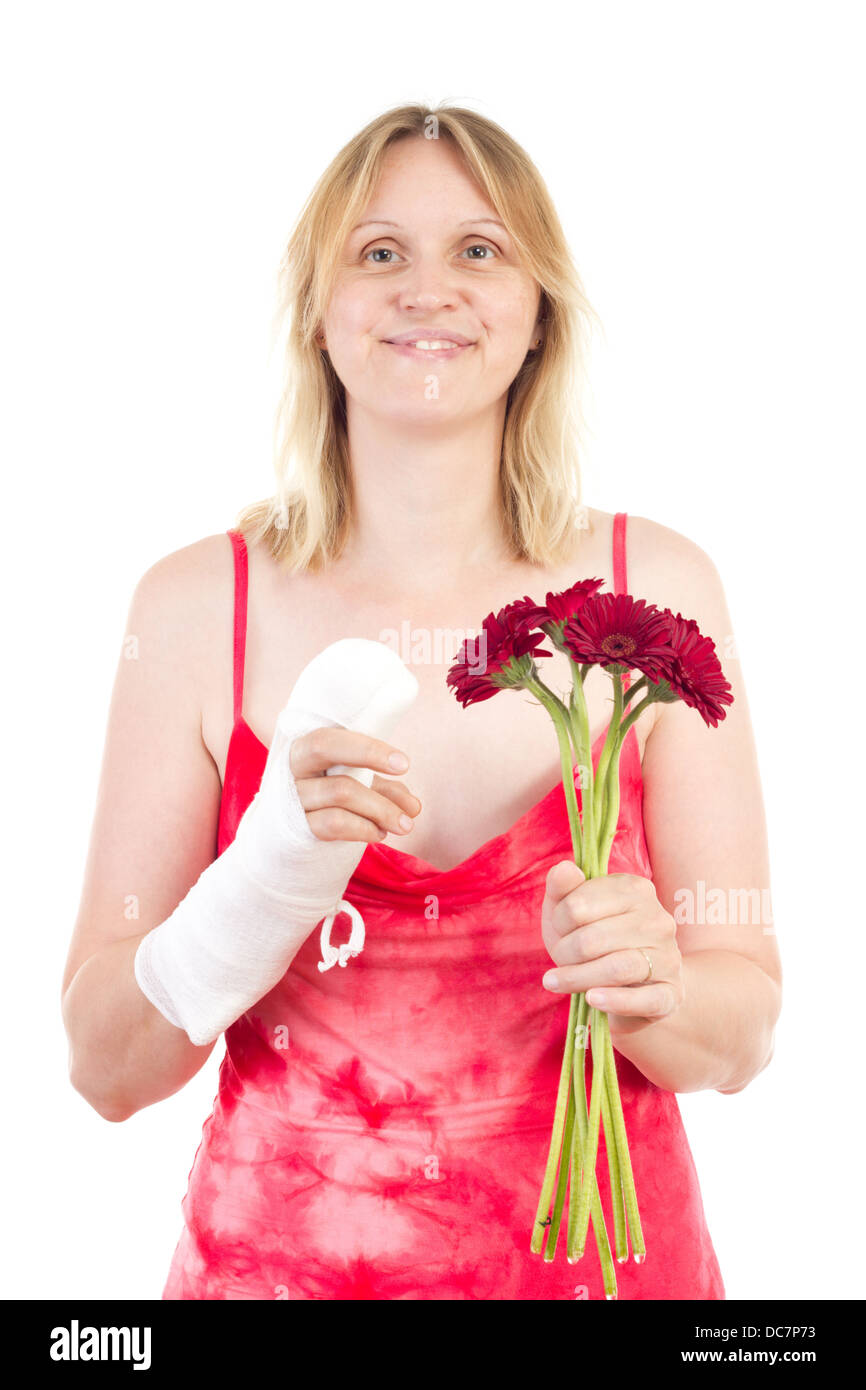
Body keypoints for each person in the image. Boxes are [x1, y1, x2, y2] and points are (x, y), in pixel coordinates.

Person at [60, 103, 782, 1300]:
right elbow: (102, 1068)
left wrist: (652, 988)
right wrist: (258, 885)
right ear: (316, 309)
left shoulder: (655, 585)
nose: (427, 290)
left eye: (479, 250)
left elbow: (743, 1029)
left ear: (537, 308)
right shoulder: (194, 607)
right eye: (379, 251)